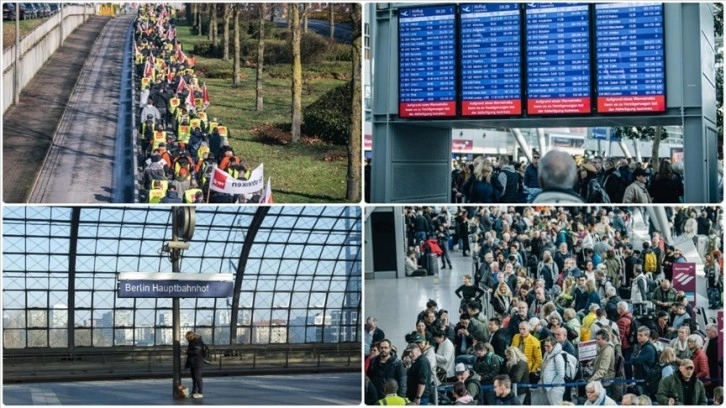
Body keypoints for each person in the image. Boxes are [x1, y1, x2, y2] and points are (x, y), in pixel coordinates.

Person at [184, 331, 205, 398]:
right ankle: (194, 391)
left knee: (198, 377)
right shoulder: (193, 341)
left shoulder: (197, 341)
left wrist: (187, 351)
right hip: (193, 362)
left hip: (197, 362)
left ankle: (200, 392)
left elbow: (196, 351)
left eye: (188, 338)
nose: (187, 340)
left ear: (191, 336)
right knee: (194, 378)